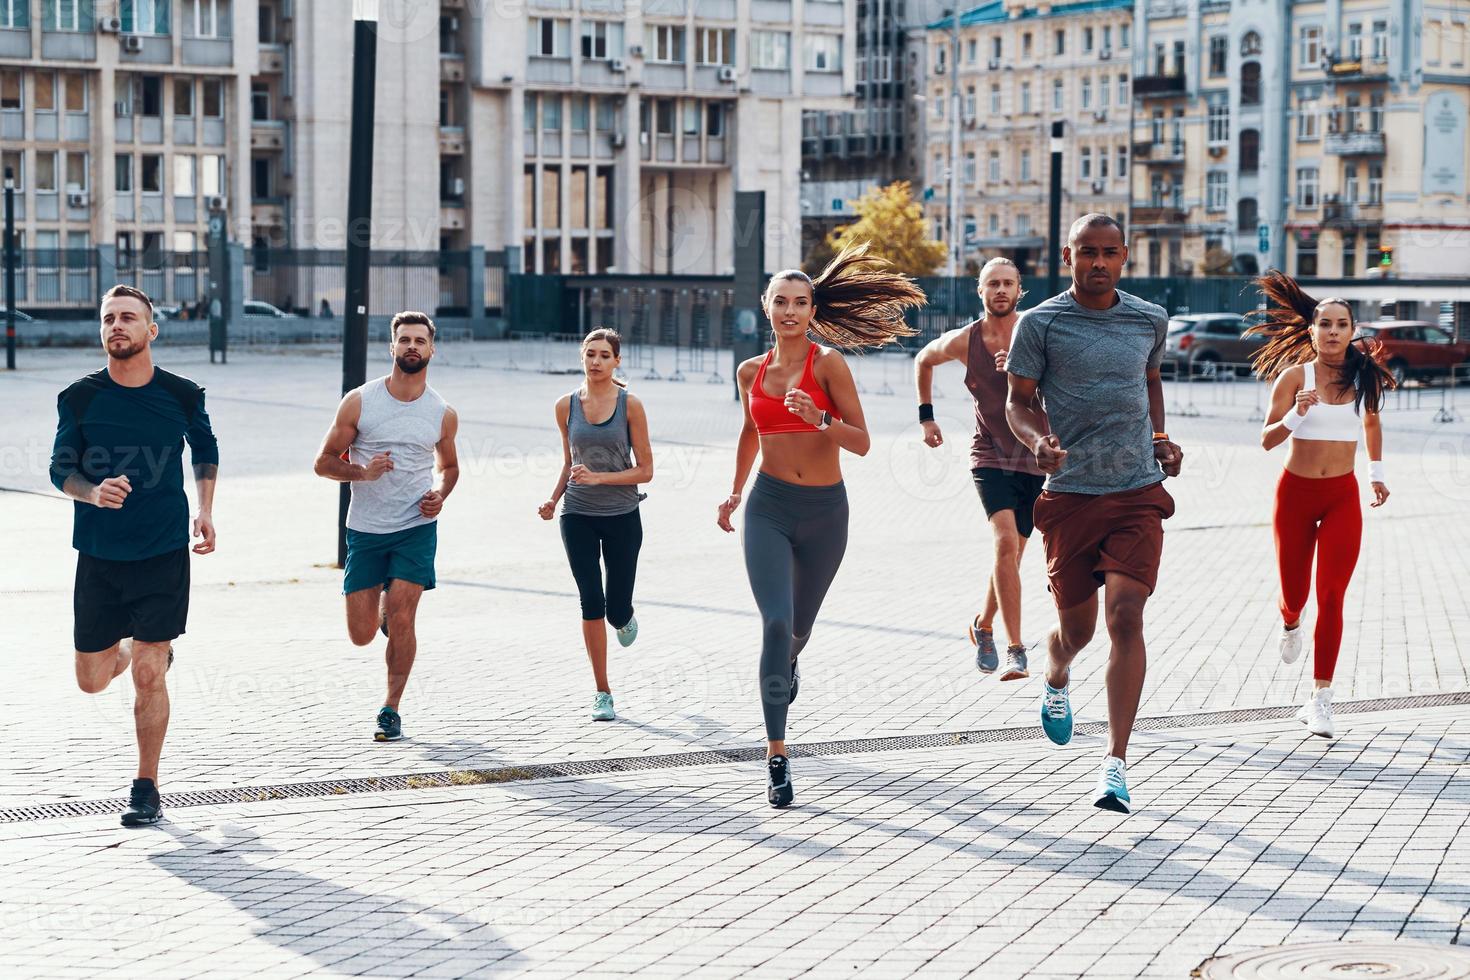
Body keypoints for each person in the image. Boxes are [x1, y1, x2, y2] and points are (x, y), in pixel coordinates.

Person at [718, 243, 924, 808]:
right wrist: (734, 493)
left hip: (826, 513)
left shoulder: (828, 364)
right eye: (780, 301)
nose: (789, 311)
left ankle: (788, 662)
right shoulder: (748, 371)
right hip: (768, 506)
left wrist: (820, 417)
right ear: (765, 306)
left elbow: (861, 442)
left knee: (797, 631)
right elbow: (748, 433)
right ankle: (777, 755)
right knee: (775, 623)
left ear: (813, 310)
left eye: (800, 302)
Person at [1004, 214, 1183, 814]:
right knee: (1076, 632)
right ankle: (1056, 674)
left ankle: (1116, 764)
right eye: (1087, 253)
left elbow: (1151, 380)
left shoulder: (1148, 319)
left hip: (1136, 491)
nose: (1098, 263)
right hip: (1072, 496)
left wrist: (1161, 438)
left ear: (1126, 256)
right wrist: (1037, 443)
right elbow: (1018, 403)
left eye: (1109, 253)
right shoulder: (1042, 322)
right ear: (1067, 255)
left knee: (1126, 617)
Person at [50, 284, 220, 827]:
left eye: (128, 318)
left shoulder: (183, 393)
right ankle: (127, 651)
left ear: (152, 330)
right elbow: (61, 469)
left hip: (163, 550)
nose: (116, 326)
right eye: (108, 319)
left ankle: (146, 785)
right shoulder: (79, 396)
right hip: (99, 554)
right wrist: (92, 491)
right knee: (92, 680)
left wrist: (206, 509)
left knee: (150, 673)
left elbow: (206, 450)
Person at [1250, 272, 1392, 739]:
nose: (1333, 331)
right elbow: (1267, 441)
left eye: (1342, 324)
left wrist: (1375, 475)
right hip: (1295, 494)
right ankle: (1290, 621)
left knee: (1331, 595)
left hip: (1341, 497)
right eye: (1324, 323)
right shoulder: (1295, 377)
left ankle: (1321, 698)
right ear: (1310, 331)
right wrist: (1298, 412)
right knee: (1297, 594)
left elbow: (1370, 423)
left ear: (1353, 330)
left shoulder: (1363, 375)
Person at [313, 311, 459, 742]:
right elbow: (322, 463)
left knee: (404, 617)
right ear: (391, 347)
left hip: (416, 526)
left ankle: (390, 708)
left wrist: (440, 494)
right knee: (360, 635)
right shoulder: (360, 401)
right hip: (366, 528)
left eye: (420, 340)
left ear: (432, 349)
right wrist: (361, 472)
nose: (412, 346)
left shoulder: (442, 412)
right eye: (404, 340)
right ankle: (378, 611)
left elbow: (449, 467)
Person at [915, 257, 1041, 680]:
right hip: (989, 456)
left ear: (1019, 290)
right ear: (980, 291)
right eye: (993, 284)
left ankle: (983, 625)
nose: (1000, 290)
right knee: (1005, 543)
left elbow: (1063, 386)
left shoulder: (1037, 331)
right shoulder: (963, 341)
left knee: (1013, 555)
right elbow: (922, 360)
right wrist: (926, 417)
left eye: (1008, 283)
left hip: (1035, 457)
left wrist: (1024, 375)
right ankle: (1016, 649)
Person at [539, 329, 653, 722]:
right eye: (590, 354)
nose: (596, 361)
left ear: (617, 361)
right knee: (591, 601)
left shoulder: (631, 405)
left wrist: (601, 478)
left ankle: (624, 617)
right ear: (581, 357)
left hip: (623, 515)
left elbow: (647, 471)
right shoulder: (565, 406)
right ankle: (602, 691)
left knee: (615, 609)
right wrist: (554, 499)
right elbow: (569, 462)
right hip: (578, 515)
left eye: (605, 355)